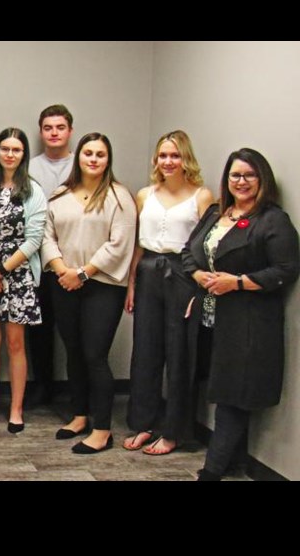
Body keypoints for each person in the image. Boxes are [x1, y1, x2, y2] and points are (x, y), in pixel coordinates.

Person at [182, 148, 298, 480]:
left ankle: (212, 471)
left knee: (235, 395)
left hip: (247, 321)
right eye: (235, 175)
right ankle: (234, 461)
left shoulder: (272, 220)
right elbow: (188, 251)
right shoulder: (217, 212)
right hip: (208, 316)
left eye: (249, 175)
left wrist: (240, 283)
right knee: (218, 387)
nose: (242, 182)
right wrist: (197, 275)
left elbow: (286, 269)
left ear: (263, 179)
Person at [40, 133, 136, 454]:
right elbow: (46, 235)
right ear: (78, 157)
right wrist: (61, 268)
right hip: (63, 282)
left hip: (102, 285)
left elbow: (119, 244)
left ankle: (102, 429)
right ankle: (79, 415)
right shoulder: (60, 194)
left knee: (95, 355)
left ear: (108, 160)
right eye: (88, 153)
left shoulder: (119, 197)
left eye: (100, 154)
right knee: (74, 351)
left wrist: (82, 273)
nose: (93, 159)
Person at [122, 130, 214, 455]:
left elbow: (205, 247)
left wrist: (199, 289)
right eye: (163, 155)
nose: (168, 161)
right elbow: (137, 245)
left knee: (179, 356)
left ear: (185, 158)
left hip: (183, 276)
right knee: (145, 353)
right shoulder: (145, 195)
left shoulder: (202, 196)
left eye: (174, 155)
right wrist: (132, 283)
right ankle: (143, 423)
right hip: (148, 271)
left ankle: (174, 431)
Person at [0, 128, 46, 434]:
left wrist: (0, 272)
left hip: (17, 275)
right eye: (4, 148)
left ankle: (15, 410)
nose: (10, 154)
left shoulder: (33, 191)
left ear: (23, 154)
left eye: (16, 149)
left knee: (16, 343)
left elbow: (33, 240)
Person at [26, 104, 75, 406]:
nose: (54, 133)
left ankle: (75, 391)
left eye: (60, 127)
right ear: (41, 131)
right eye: (48, 128)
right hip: (38, 261)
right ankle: (43, 385)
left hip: (73, 262)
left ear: (70, 131)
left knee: (74, 331)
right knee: (40, 329)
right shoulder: (30, 167)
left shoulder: (81, 164)